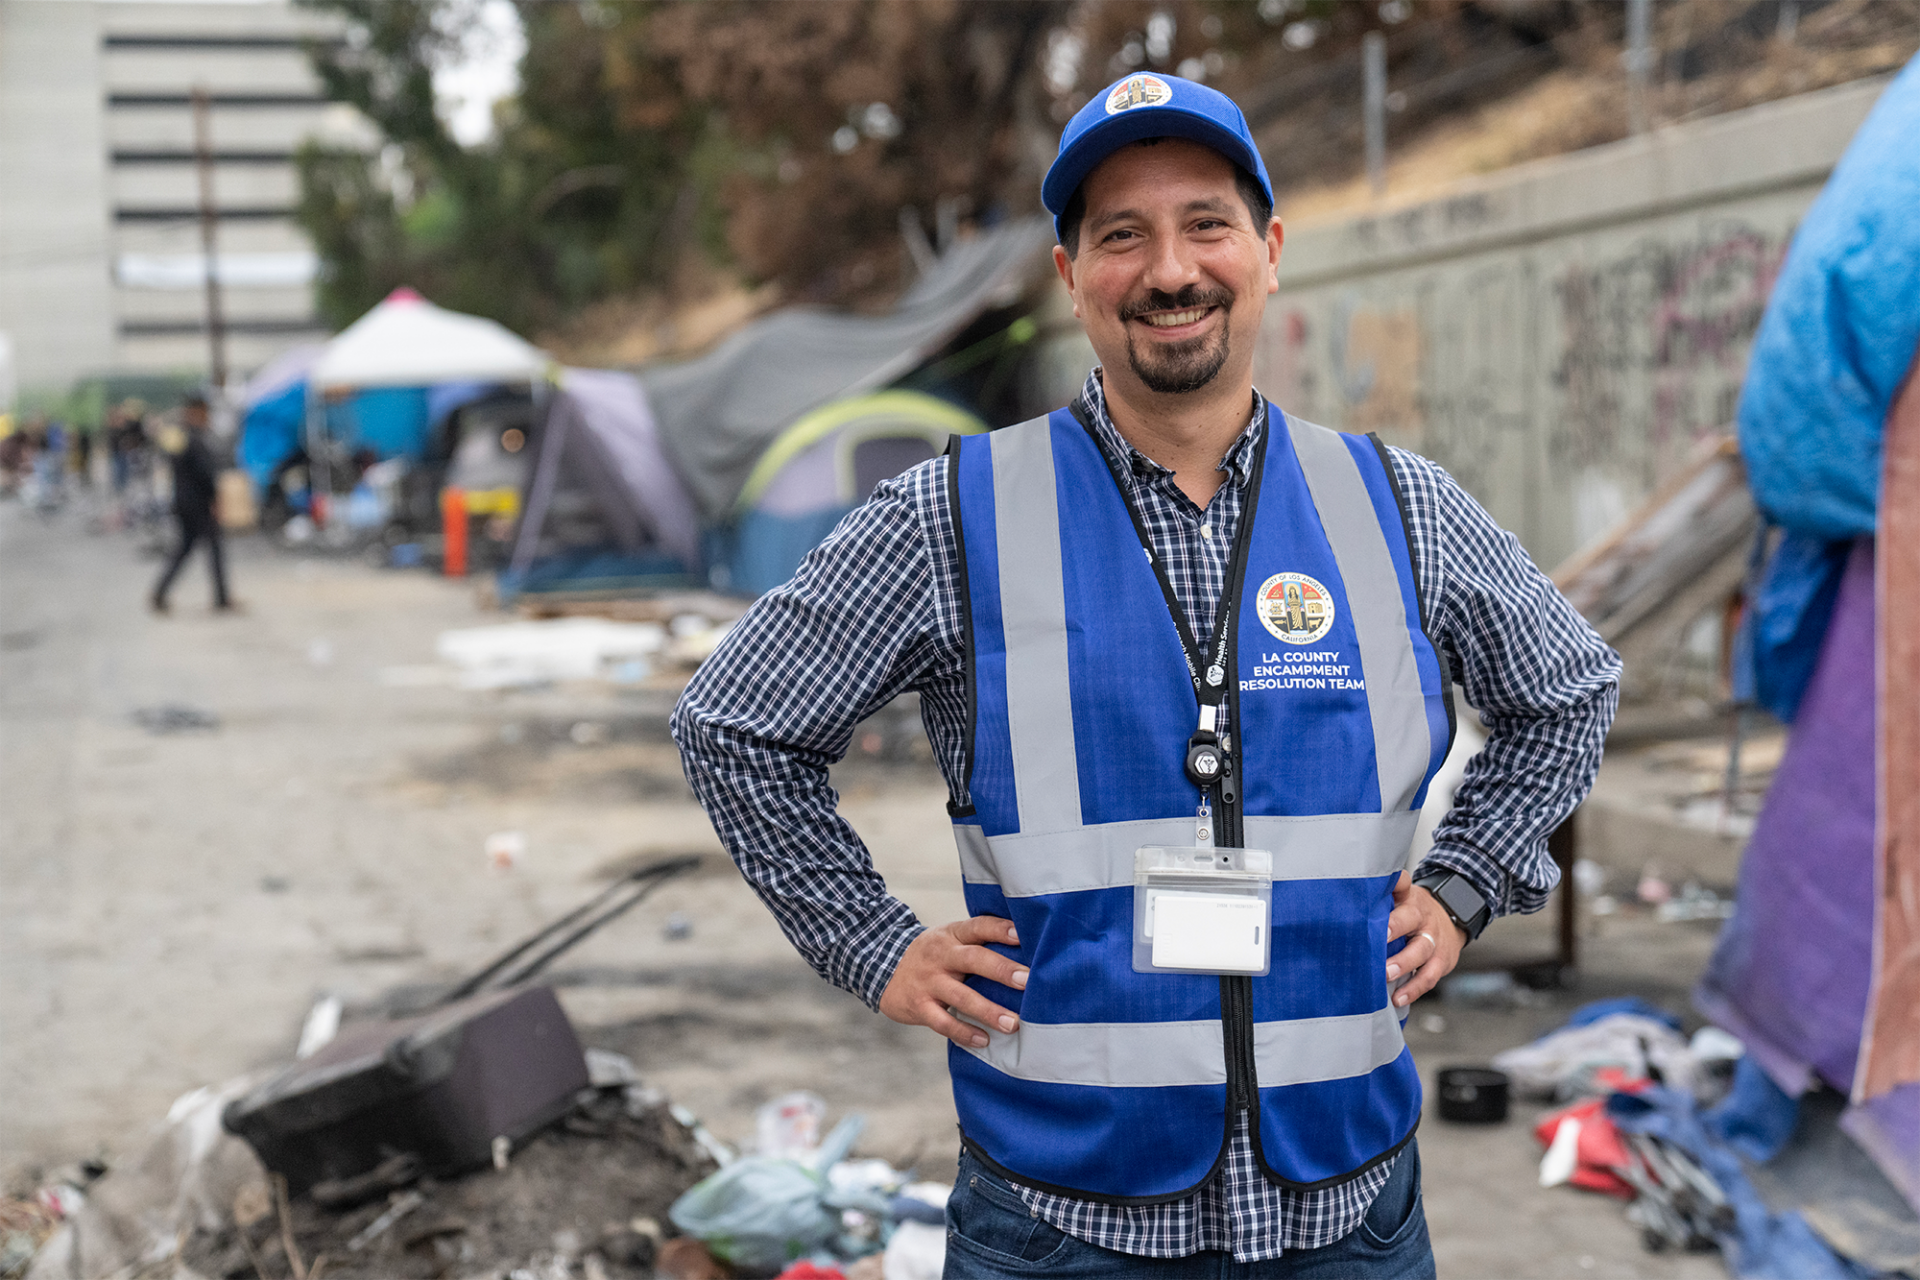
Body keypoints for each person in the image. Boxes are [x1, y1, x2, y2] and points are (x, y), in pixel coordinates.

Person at [673, 73, 1620, 1277]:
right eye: (1121, 235)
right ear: (1071, 277)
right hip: (1062, 1221)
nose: (1171, 269)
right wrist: (874, 944)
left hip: (1346, 1214)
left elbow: (1570, 688)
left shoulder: (1397, 507)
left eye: (1206, 225)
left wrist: (1468, 879)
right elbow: (734, 724)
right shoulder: (953, 516)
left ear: (1269, 252)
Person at [151, 393, 233, 614]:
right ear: (197, 412)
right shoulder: (195, 438)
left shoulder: (179, 436)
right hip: (198, 504)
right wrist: (215, 499)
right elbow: (204, 474)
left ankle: (160, 592)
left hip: (182, 501)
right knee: (213, 548)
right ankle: (222, 598)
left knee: (184, 549)